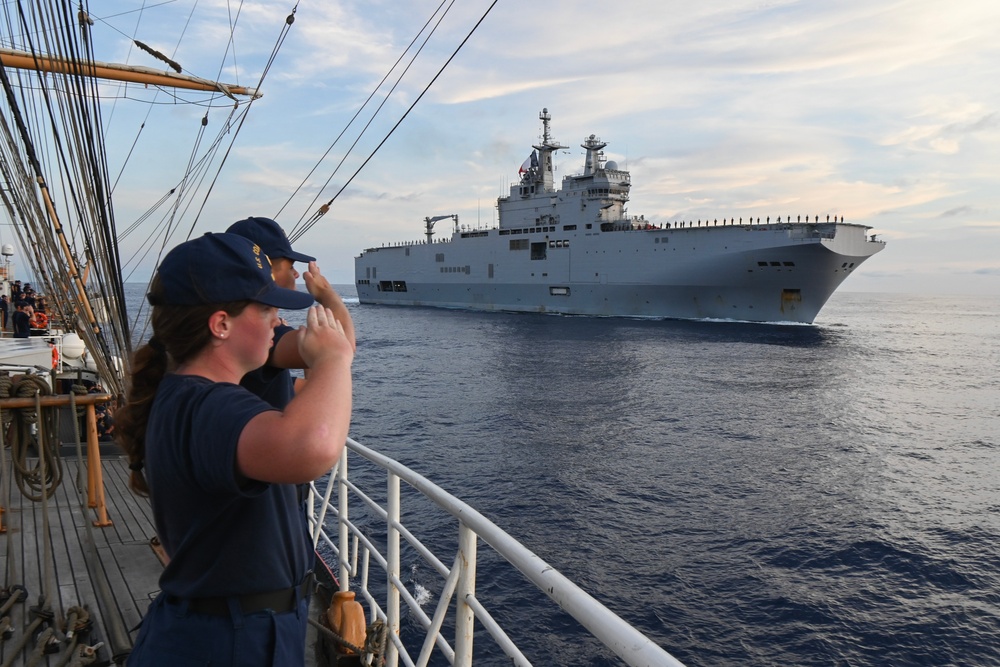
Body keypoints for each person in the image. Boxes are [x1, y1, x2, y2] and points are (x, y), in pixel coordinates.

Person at [115, 233, 354, 665]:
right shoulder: (207, 406)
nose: (274, 320)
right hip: (230, 640)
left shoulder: (189, 397)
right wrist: (332, 359)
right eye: (264, 309)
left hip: (230, 629)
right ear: (220, 323)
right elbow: (313, 448)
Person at [226, 216, 356, 409]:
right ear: (265, 269)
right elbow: (340, 347)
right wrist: (327, 295)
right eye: (291, 266)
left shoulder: (233, 322)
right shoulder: (257, 333)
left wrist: (306, 352)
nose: (296, 274)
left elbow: (313, 393)